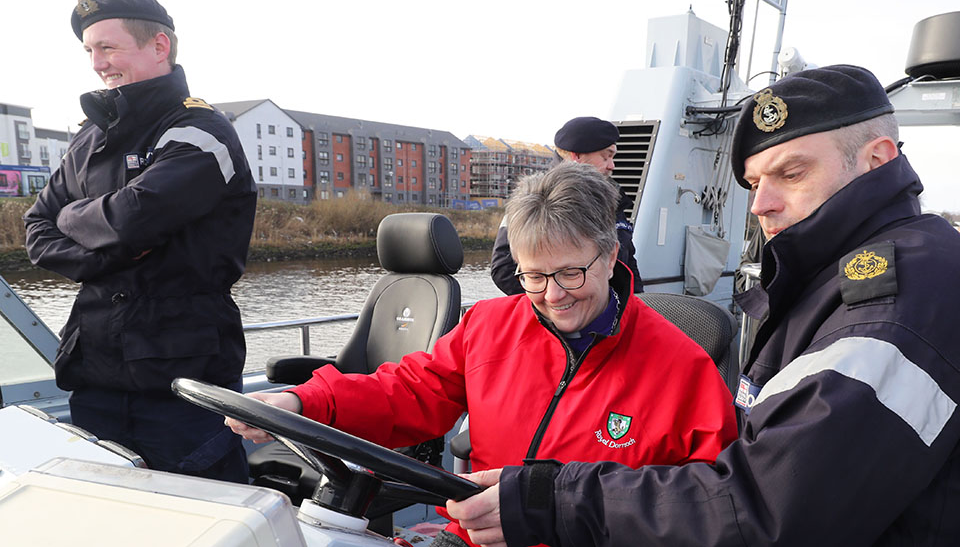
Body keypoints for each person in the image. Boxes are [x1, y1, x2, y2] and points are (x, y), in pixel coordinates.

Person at [446, 64, 960, 546]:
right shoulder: (832, 284)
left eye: (793, 173)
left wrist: (556, 500)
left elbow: (768, 508)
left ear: (878, 158)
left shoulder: (898, 299)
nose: (760, 204)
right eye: (756, 183)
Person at [228, 162, 736, 547]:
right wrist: (305, 401)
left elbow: (711, 503)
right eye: (533, 276)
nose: (552, 296)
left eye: (569, 274)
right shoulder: (488, 325)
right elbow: (407, 392)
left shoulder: (684, 369)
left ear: (608, 257)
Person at [23, 0, 257, 483]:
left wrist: (82, 219)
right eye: (89, 51)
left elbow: (133, 219)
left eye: (108, 48)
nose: (97, 64)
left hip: (181, 385)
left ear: (159, 45)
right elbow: (38, 230)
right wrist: (104, 251)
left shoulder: (200, 131)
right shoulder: (89, 138)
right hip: (96, 377)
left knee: (210, 519)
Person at [490, 116, 644, 294]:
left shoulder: (611, 198)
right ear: (576, 156)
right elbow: (503, 269)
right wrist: (554, 310)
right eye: (605, 157)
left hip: (617, 316)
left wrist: (637, 305)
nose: (612, 165)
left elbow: (628, 262)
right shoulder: (534, 198)